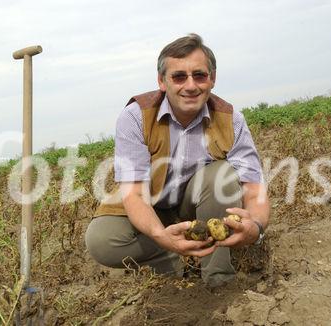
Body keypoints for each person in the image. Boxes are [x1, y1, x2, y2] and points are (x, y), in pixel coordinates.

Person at [85, 33, 270, 287]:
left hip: (193, 208)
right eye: (179, 76)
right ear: (162, 81)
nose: (191, 85)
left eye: (199, 75)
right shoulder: (136, 117)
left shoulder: (230, 119)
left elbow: (254, 189)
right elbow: (135, 195)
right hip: (149, 207)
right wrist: (161, 236)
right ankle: (172, 261)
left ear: (212, 79)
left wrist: (256, 228)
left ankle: (217, 278)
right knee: (102, 242)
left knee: (222, 175)